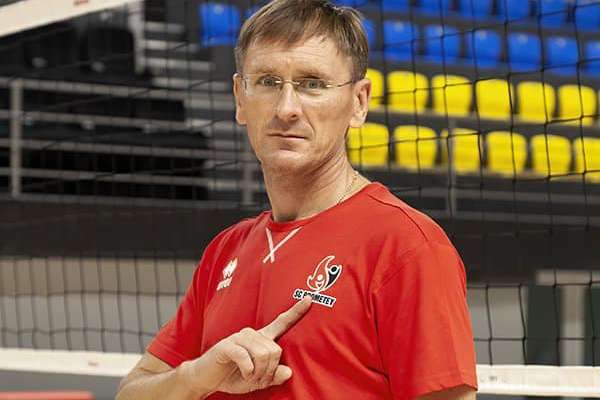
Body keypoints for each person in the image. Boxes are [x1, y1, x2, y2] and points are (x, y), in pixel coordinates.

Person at [116, 0, 478, 398]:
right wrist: (199, 376)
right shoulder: (225, 251)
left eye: (313, 84)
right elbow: (132, 393)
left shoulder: (407, 246)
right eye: (268, 82)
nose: (286, 109)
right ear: (240, 98)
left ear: (359, 103)